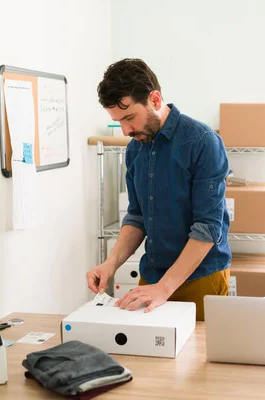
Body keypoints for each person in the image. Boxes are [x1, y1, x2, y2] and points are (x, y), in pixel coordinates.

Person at [86, 58, 232, 321]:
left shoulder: (202, 141)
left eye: (130, 117)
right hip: (152, 278)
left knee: (198, 360)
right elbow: (137, 217)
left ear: (155, 99)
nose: (126, 130)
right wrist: (111, 264)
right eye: (118, 121)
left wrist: (165, 288)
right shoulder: (134, 150)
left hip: (200, 277)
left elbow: (208, 228)